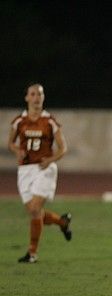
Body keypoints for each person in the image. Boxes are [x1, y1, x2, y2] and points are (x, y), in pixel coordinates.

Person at [8, 83, 72, 264]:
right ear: (27, 98)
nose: (37, 98)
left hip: (44, 170)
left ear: (43, 98)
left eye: (40, 95)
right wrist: (16, 151)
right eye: (33, 94)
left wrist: (50, 160)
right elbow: (10, 143)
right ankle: (62, 222)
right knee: (33, 212)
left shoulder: (49, 121)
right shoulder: (19, 121)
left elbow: (63, 148)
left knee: (35, 209)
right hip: (25, 171)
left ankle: (32, 253)